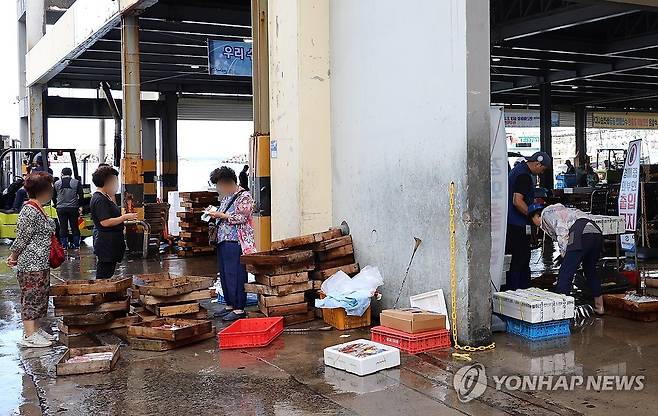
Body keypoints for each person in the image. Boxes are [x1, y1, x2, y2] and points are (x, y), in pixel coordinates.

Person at [6, 172, 57, 348]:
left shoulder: (38, 208)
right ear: (42, 190)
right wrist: (14, 257)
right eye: (49, 188)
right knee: (31, 298)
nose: (51, 191)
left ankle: (35, 330)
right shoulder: (29, 210)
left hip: (40, 263)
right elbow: (21, 239)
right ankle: (29, 335)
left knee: (40, 297)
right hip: (30, 264)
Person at [528, 203, 604, 315]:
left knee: (565, 272)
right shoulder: (561, 209)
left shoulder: (547, 214)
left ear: (536, 216)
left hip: (580, 232)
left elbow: (561, 230)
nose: (534, 223)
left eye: (532, 220)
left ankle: (559, 312)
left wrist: (564, 254)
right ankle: (600, 307)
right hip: (596, 231)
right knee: (590, 270)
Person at [207, 166, 255, 321]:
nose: (218, 189)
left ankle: (239, 308)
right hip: (223, 240)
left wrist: (221, 215)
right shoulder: (226, 196)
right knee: (225, 274)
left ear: (227, 182)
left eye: (219, 185)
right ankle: (229, 304)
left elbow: (242, 217)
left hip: (236, 242)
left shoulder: (244, 196)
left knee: (236, 274)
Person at [505, 151, 552, 290]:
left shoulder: (517, 170)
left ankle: (520, 290)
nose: (541, 173)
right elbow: (517, 201)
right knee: (521, 260)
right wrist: (532, 216)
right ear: (538, 164)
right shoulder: (524, 176)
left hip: (512, 223)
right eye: (542, 169)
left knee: (519, 259)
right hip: (518, 225)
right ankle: (518, 291)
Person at [90, 166, 137, 279]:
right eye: (114, 181)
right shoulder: (100, 199)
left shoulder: (106, 196)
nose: (116, 184)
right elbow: (105, 222)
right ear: (107, 182)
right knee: (104, 273)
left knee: (108, 271)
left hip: (111, 241)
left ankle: (103, 293)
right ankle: (101, 293)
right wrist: (125, 217)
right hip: (106, 242)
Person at [54, 167, 84, 249]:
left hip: (60, 208)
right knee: (74, 226)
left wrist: (56, 204)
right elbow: (81, 195)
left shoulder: (57, 183)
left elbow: (53, 196)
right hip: (73, 208)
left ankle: (64, 245)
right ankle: (76, 245)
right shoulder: (76, 182)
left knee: (63, 227)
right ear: (71, 174)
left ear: (62, 174)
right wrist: (80, 206)